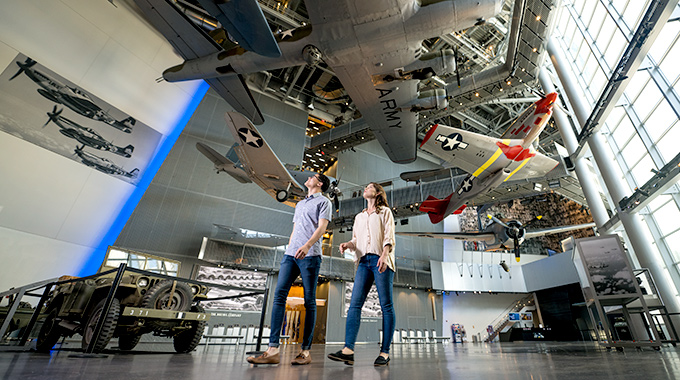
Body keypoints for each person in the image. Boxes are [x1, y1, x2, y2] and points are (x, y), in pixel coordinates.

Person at [247, 173, 332, 365]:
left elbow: (322, 228)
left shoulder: (324, 202)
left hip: (310, 255)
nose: (309, 177)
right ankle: (272, 350)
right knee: (279, 296)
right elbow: (295, 228)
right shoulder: (300, 204)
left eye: (314, 176)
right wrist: (290, 246)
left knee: (309, 301)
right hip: (291, 254)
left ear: (319, 183)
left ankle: (305, 352)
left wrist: (308, 245)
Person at [328, 182, 396, 366]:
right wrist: (347, 245)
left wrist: (384, 255)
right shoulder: (359, 217)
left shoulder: (385, 212)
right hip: (363, 262)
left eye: (369, 186)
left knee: (386, 306)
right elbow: (356, 239)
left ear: (378, 192)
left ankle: (385, 352)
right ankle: (348, 350)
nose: (365, 188)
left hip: (381, 260)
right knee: (354, 305)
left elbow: (389, 236)